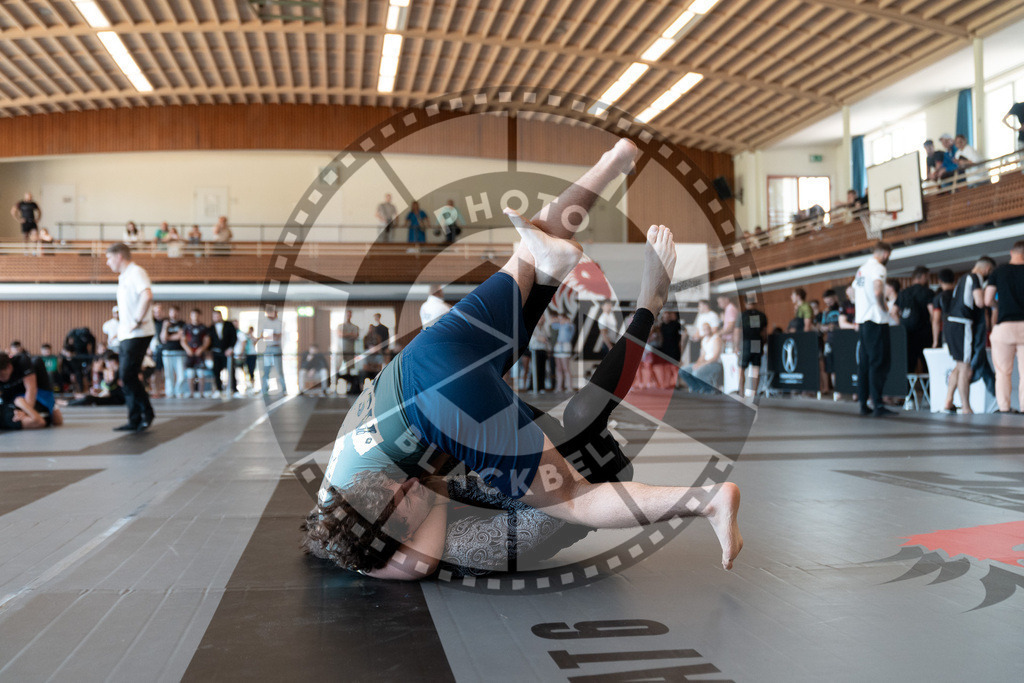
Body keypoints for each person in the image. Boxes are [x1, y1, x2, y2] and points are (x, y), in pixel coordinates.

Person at [304, 144, 741, 578]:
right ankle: (608, 166)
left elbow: (411, 554)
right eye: (405, 497)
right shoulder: (342, 487)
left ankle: (707, 500)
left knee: (573, 496)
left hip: (447, 404)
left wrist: (419, 504)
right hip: (422, 358)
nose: (413, 486)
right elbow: (388, 533)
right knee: (528, 254)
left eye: (399, 489)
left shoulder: (390, 527)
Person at [104, 243, 155, 431]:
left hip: (139, 333)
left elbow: (147, 295)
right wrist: (121, 330)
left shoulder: (136, 272)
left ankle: (146, 413)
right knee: (127, 377)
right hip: (128, 334)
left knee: (127, 375)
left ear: (119, 256)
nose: (108, 263)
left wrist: (136, 320)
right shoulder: (123, 277)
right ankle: (135, 418)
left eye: (109, 258)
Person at [943, 257, 994, 415]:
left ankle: (948, 401)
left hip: (951, 323)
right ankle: (966, 407)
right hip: (962, 323)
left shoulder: (963, 278)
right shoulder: (976, 278)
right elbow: (979, 302)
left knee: (959, 365)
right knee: (965, 366)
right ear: (987, 269)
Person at [853, 241, 895, 417]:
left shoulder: (861, 269)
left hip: (863, 321)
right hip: (876, 320)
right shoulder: (878, 268)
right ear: (885, 253)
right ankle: (878, 404)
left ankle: (864, 404)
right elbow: (878, 291)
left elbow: (851, 292)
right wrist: (884, 308)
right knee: (879, 363)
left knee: (865, 364)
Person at [984, 241, 1024, 413]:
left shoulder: (998, 271)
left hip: (1004, 327)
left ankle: (1004, 408)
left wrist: (997, 305)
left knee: (1002, 372)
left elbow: (987, 300)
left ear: (1011, 252)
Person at [0, 351, 63, 430]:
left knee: (57, 421)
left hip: (39, 390)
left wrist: (25, 411)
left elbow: (31, 389)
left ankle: (53, 406)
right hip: (15, 394)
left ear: (9, 367)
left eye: (1, 375)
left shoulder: (22, 361)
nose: (0, 379)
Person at [893, 266, 933, 374]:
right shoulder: (927, 292)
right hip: (924, 333)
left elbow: (893, 312)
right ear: (923, 276)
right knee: (927, 364)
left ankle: (909, 390)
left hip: (907, 334)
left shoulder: (903, 293)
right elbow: (932, 313)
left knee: (909, 365)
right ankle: (928, 390)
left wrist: (900, 323)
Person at [678, 322, 723, 394]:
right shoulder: (704, 340)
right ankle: (696, 388)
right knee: (683, 371)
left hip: (714, 364)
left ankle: (709, 389)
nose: (706, 330)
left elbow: (715, 357)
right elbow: (702, 356)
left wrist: (702, 364)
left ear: (710, 329)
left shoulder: (716, 338)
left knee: (696, 373)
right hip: (705, 363)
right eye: (704, 329)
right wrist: (697, 364)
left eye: (707, 328)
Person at [737, 295, 767, 398]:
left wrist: (736, 345)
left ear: (745, 303)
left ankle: (741, 392)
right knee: (755, 368)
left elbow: (738, 331)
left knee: (742, 367)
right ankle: (753, 393)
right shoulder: (761, 315)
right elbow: (763, 333)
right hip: (756, 342)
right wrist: (762, 344)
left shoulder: (742, 315)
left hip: (746, 342)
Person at [208, 309, 237, 398]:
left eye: (217, 316)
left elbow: (234, 337)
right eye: (214, 316)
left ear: (221, 316)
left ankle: (234, 390)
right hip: (216, 353)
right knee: (216, 371)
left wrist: (230, 348)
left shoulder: (229, 325)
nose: (216, 318)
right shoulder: (211, 328)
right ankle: (219, 390)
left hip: (227, 352)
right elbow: (209, 341)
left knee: (231, 370)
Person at [160, 306, 187, 398]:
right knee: (168, 374)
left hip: (180, 352)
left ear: (178, 313)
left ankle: (179, 391)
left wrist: (169, 337)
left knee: (181, 375)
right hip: (167, 353)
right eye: (172, 312)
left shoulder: (182, 324)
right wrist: (165, 327)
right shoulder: (165, 323)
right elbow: (163, 338)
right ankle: (170, 392)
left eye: (175, 312)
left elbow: (180, 336)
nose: (174, 314)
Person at [653, 310, 682, 389]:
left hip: (674, 347)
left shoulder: (676, 324)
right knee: (666, 366)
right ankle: (667, 383)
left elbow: (683, 334)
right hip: (665, 347)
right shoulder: (661, 326)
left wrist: (681, 344)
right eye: (665, 315)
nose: (666, 316)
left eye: (668, 314)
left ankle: (676, 383)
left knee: (674, 366)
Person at [260, 308, 285, 396]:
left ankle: (284, 389)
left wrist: (269, 334)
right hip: (268, 348)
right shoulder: (265, 322)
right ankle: (264, 389)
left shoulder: (279, 323)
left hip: (276, 348)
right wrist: (271, 334)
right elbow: (264, 335)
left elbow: (277, 336)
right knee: (266, 370)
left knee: (279, 370)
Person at [549, 311, 576, 392]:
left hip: (565, 346)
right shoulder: (560, 325)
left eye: (561, 318)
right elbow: (553, 325)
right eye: (559, 319)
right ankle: (559, 387)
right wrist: (558, 321)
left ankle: (569, 387)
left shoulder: (569, 325)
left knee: (566, 368)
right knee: (559, 368)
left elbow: (569, 327)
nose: (560, 320)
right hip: (558, 346)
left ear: (566, 318)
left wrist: (566, 321)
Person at [337, 310, 361, 395]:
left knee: (349, 369)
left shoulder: (355, 327)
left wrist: (346, 334)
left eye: (349, 315)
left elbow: (356, 335)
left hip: (350, 351)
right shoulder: (340, 326)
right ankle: (336, 387)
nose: (348, 316)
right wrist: (350, 334)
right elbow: (340, 334)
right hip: (341, 351)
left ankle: (349, 387)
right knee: (338, 368)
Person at [930, 269, 956, 348]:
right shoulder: (959, 294)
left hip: (945, 332)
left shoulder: (939, 298)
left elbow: (936, 320)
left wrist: (935, 341)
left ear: (940, 281)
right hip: (961, 330)